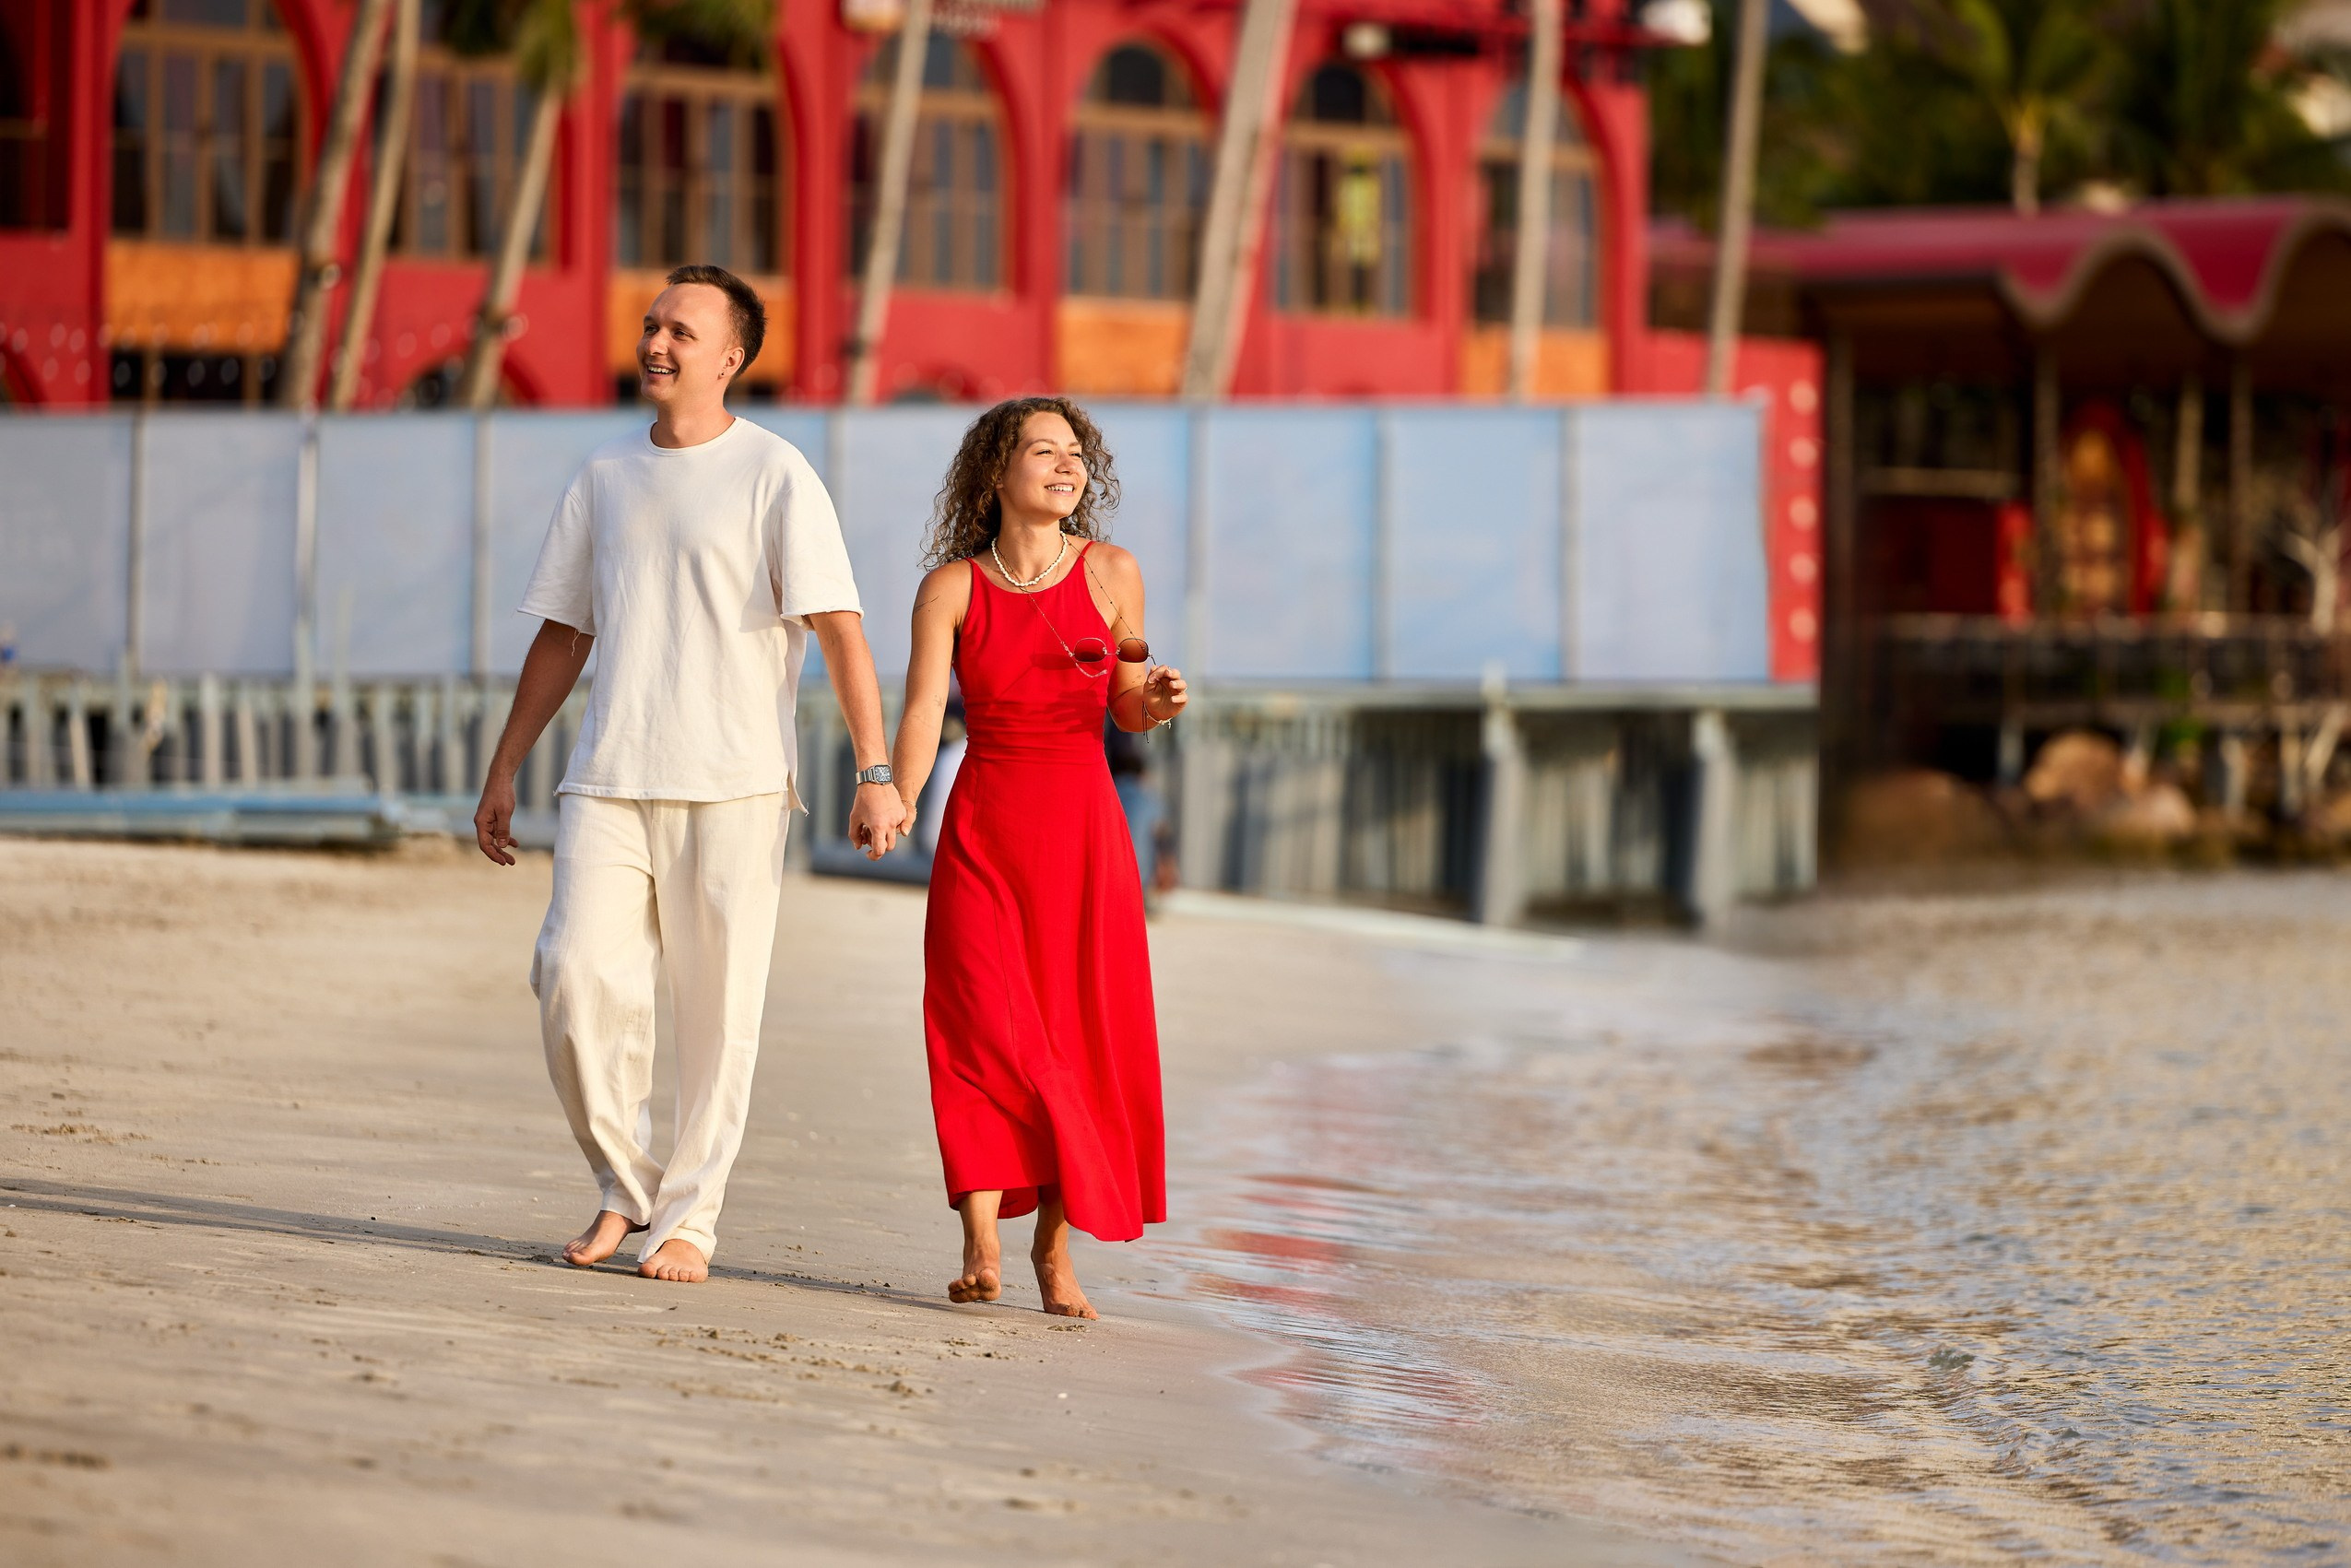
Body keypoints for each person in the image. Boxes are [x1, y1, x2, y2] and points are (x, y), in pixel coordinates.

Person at [471, 264, 904, 1285]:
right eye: (652, 324)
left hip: (738, 781)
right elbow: (562, 633)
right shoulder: (605, 474)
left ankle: (689, 1218)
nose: (658, 343)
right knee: (573, 978)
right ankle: (627, 1183)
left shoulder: (776, 473)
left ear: (731, 358)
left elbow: (840, 630)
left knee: (719, 1015)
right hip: (610, 772)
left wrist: (876, 769)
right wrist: (504, 772)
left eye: (682, 331)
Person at [887, 397, 1186, 1319]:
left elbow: (1127, 702)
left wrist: (1159, 700)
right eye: (1044, 451)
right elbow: (922, 716)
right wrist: (892, 795)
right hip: (983, 825)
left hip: (1085, 835)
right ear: (996, 473)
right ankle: (981, 1236)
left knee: (1078, 1039)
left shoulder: (1114, 573)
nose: (1067, 466)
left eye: (1076, 453)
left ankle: (1055, 1253)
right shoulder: (951, 589)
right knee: (977, 1026)